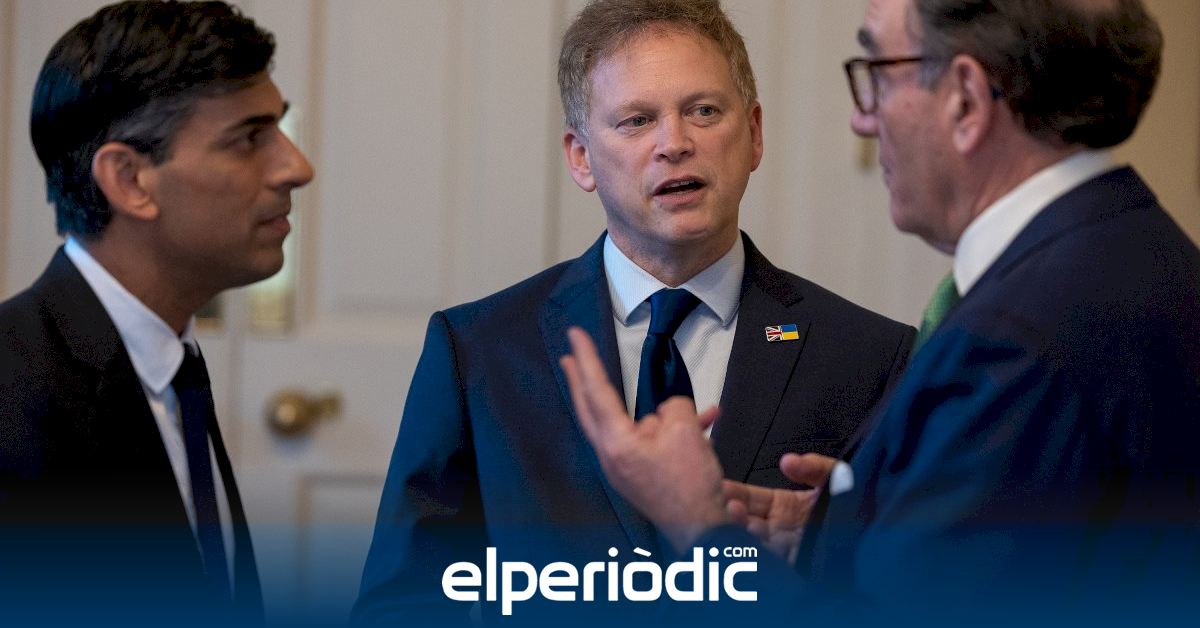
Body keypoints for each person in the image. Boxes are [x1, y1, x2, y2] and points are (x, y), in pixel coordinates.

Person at [561, 0, 1200, 622]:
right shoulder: (1141, 252)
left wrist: (701, 530)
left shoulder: (1017, 339)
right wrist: (846, 530)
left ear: (965, 101)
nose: (863, 121)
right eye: (636, 120)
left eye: (880, 75)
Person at [353, 0, 914, 623]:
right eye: (636, 120)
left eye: (704, 111)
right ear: (580, 157)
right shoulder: (478, 349)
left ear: (754, 134)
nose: (675, 144)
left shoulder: (871, 357)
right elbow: (404, 602)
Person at [0, 2, 314, 626]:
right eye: (249, 138)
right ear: (130, 180)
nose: (296, 167)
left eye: (278, 129)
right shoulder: (15, 391)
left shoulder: (169, 366)